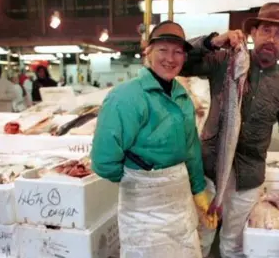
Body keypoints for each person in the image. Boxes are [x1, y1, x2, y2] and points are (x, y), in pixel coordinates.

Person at [180, 3, 279, 257]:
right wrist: (213, 41)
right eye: (266, 30)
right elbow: (182, 61)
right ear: (253, 33)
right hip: (209, 168)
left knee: (233, 244)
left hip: (248, 177)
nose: (271, 39)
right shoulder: (225, 59)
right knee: (200, 237)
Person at [90, 21, 217, 258]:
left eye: (178, 51)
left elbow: (191, 149)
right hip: (142, 210)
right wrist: (139, 180)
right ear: (147, 52)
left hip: (180, 202)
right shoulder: (125, 97)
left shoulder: (182, 97)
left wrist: (199, 190)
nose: (171, 58)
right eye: (163, 50)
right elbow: (103, 161)